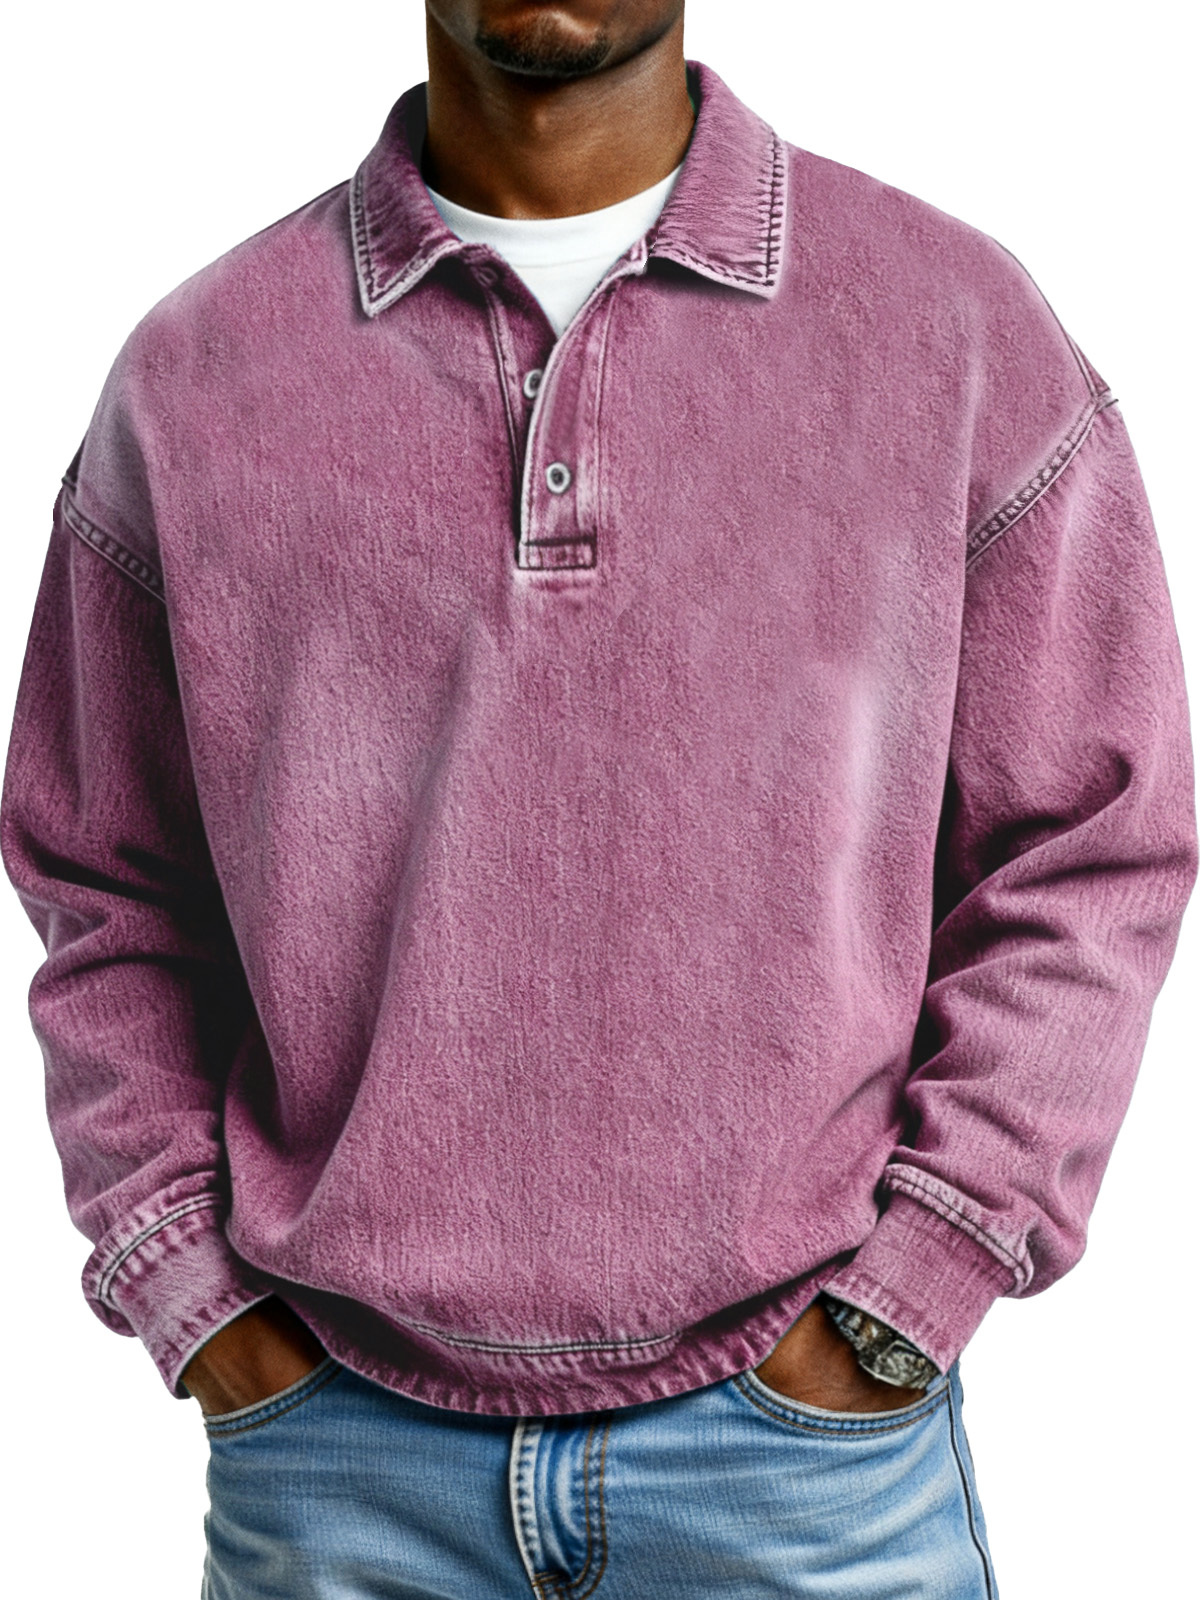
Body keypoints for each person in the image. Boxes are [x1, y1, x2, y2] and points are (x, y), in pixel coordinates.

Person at [2, 1, 1195, 1595]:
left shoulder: (951, 326)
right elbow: (105, 882)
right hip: (341, 1463)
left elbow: (1091, 847)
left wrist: (924, 1278)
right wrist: (193, 1294)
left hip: (803, 1462)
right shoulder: (198, 374)